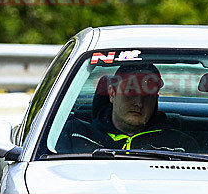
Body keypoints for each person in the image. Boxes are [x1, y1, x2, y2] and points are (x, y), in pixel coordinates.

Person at [56, 63, 197, 153]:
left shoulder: (180, 145)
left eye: (147, 95)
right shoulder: (75, 135)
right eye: (130, 92)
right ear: (112, 93)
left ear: (156, 99)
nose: (139, 103)